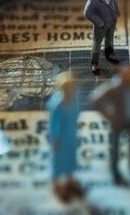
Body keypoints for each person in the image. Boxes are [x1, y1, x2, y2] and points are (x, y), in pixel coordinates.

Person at [92, 66, 130, 186]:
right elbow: (96, 99)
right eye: (128, 76)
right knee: (116, 147)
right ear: (122, 77)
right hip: (118, 122)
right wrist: (108, 115)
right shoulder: (114, 88)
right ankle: (115, 172)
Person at [47, 73, 84, 203]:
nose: (70, 90)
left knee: (70, 156)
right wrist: (54, 138)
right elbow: (54, 124)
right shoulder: (58, 104)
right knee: (58, 160)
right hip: (60, 136)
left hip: (70, 133)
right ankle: (57, 185)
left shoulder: (74, 96)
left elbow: (77, 111)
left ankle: (70, 180)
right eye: (67, 88)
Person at [84, 0, 120, 75]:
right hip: (100, 25)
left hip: (112, 21)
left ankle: (110, 55)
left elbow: (115, 2)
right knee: (97, 44)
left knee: (110, 40)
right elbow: (87, 12)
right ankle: (94, 63)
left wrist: (117, 12)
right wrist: (99, 22)